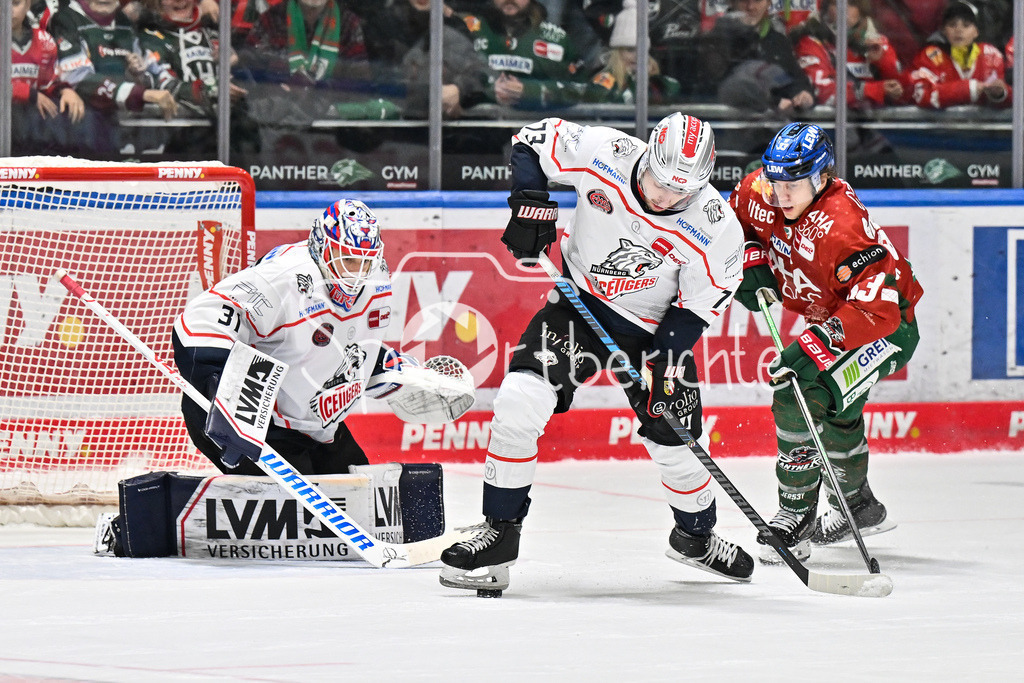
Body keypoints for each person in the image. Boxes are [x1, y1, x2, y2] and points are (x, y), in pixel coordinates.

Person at [440, 113, 753, 595]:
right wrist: (530, 202)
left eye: (680, 192)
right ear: (646, 155)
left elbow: (695, 309)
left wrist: (664, 365)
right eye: (658, 181)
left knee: (676, 442)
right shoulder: (605, 151)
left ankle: (696, 537)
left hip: (654, 334)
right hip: (577, 305)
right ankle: (500, 533)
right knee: (519, 401)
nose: (664, 197)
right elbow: (529, 141)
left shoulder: (717, 230)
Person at [728, 123, 923, 563]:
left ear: (821, 176)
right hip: (837, 319)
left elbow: (879, 312)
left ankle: (795, 518)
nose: (781, 193)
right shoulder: (759, 191)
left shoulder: (842, 226)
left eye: (793, 184)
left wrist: (814, 343)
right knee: (838, 403)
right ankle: (859, 506)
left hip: (887, 329)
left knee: (799, 389)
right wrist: (751, 260)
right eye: (775, 181)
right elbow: (733, 221)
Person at [172, 199, 413, 476]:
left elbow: (337, 341)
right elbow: (200, 319)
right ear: (322, 247)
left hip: (318, 428)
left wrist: (381, 365)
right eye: (347, 259)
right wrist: (221, 390)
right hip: (259, 424)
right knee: (298, 517)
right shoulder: (286, 278)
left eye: (365, 261)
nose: (356, 274)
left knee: (365, 506)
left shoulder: (378, 276)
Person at [47, 0, 179, 157]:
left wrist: (139, 76)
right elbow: (77, 78)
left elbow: (152, 70)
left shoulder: (123, 21)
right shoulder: (65, 20)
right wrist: (141, 94)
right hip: (82, 135)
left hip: (126, 130)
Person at [454, 0, 589, 110]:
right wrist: (489, 91)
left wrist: (530, 91)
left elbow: (582, 90)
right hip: (477, 132)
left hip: (539, 133)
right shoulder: (468, 28)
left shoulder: (556, 38)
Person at [791, 0, 910, 109]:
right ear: (825, 10)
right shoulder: (812, 43)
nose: (844, 9)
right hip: (830, 126)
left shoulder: (877, 43)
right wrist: (871, 90)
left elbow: (905, 94)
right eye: (837, 3)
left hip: (877, 126)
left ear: (861, 10)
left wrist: (882, 63)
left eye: (852, 4)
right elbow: (822, 92)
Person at [700, 0, 815, 112]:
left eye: (758, 1)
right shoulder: (717, 40)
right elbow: (724, 87)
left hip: (772, 127)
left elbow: (793, 79)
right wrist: (774, 102)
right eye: (744, 1)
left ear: (768, 3)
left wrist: (804, 94)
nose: (750, 7)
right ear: (732, 2)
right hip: (727, 125)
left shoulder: (778, 41)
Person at [10, 0, 85, 155]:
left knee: (66, 110)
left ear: (27, 5)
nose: (7, 11)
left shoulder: (44, 41)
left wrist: (64, 90)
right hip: (10, 122)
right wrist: (29, 94)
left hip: (30, 121)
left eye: (15, 3)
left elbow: (48, 81)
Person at [908, 0, 1011, 109]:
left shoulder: (991, 55)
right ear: (943, 30)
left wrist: (1001, 94)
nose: (959, 30)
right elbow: (921, 95)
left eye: (966, 25)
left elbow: (1012, 96)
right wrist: (969, 89)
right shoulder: (930, 55)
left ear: (976, 31)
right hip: (940, 125)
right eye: (952, 25)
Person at [582, 0, 682, 105]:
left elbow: (674, 90)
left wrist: (649, 79)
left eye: (642, 50)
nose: (637, 56)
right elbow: (596, 102)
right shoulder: (605, 81)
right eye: (630, 50)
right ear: (618, 53)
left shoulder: (657, 84)